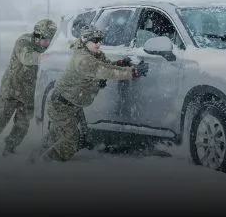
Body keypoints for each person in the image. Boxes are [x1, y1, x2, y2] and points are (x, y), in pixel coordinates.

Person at [30, 25, 148, 163]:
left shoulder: (94, 54)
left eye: (100, 40)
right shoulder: (84, 60)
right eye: (95, 40)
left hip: (71, 104)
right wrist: (132, 72)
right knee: (71, 142)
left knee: (57, 134)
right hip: (62, 105)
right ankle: (44, 165)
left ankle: (33, 159)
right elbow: (106, 71)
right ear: (86, 41)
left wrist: (122, 63)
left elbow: (106, 66)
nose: (99, 43)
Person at [0, 18, 58, 159]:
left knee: (22, 126)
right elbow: (26, 57)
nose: (47, 43)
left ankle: (10, 147)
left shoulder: (47, 46)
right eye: (45, 39)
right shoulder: (23, 41)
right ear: (38, 35)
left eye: (50, 40)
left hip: (29, 93)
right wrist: (41, 57)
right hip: (11, 89)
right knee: (0, 122)